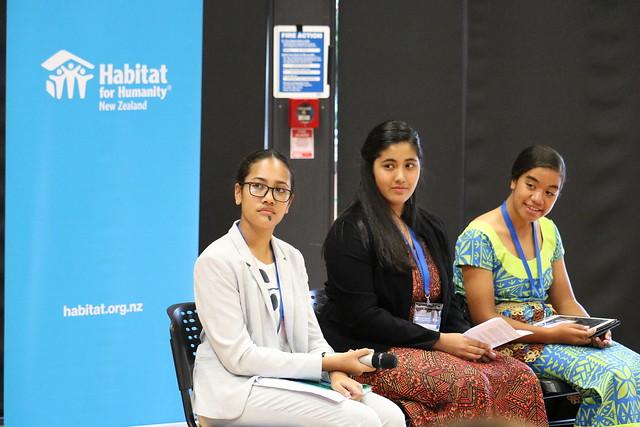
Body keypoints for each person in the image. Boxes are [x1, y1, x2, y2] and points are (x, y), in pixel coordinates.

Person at [318, 120, 548, 427]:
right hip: (372, 351)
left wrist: (470, 341)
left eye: (410, 165)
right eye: (389, 165)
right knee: (467, 384)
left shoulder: (430, 227)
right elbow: (362, 317)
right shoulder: (350, 231)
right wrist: (439, 341)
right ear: (371, 168)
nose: (401, 176)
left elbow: (448, 302)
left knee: (519, 375)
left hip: (430, 344)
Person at [192, 149, 405, 427]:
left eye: (280, 190)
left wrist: (337, 372)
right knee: (359, 421)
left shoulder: (291, 257)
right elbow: (239, 358)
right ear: (238, 193)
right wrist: (328, 365)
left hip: (287, 382)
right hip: (236, 392)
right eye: (257, 186)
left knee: (391, 416)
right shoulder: (215, 260)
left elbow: (312, 338)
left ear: (289, 202)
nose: (269, 197)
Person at [454, 145, 640, 427]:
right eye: (531, 185)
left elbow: (566, 301)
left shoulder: (548, 229)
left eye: (550, 192)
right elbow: (483, 317)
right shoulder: (479, 235)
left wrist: (591, 328)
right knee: (614, 376)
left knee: (635, 368)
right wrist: (553, 335)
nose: (538, 198)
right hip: (512, 341)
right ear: (514, 180)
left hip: (552, 329)